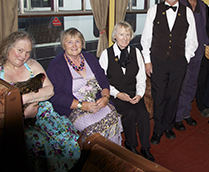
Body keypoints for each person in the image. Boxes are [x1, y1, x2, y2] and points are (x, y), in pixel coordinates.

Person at [0, 31, 80, 171]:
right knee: (37, 143)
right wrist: (23, 114)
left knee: (65, 139)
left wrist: (23, 99)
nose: (23, 56)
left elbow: (50, 90)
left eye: (27, 52)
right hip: (16, 121)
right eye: (20, 50)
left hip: (43, 113)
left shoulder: (32, 65)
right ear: (8, 47)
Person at [141, 0, 198, 145]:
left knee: (173, 96)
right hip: (157, 61)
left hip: (178, 61)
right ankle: (158, 130)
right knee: (159, 97)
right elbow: (146, 39)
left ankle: (168, 127)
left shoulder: (187, 12)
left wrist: (185, 58)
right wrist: (147, 60)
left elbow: (192, 40)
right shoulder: (153, 10)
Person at [47, 28, 123, 145]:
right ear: (63, 45)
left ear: (82, 43)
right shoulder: (56, 65)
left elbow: (103, 80)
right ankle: (95, 159)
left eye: (77, 41)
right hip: (73, 108)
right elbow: (56, 96)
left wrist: (105, 98)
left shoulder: (89, 58)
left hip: (97, 102)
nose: (74, 45)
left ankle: (113, 154)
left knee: (113, 117)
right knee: (93, 129)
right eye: (69, 42)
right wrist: (82, 105)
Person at [99, 21, 154, 161]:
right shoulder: (106, 54)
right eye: (121, 34)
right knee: (128, 113)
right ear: (115, 36)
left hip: (133, 93)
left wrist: (139, 94)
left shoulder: (136, 52)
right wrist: (117, 94)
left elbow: (141, 78)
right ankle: (131, 144)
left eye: (128, 35)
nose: (125, 38)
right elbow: (102, 81)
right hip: (115, 95)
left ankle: (145, 147)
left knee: (143, 113)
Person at [174, 0, 209, 131]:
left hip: (198, 53)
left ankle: (186, 114)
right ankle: (176, 117)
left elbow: (207, 28)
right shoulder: (177, 4)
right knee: (181, 85)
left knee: (191, 84)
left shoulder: (203, 6)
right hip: (181, 53)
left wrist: (206, 44)